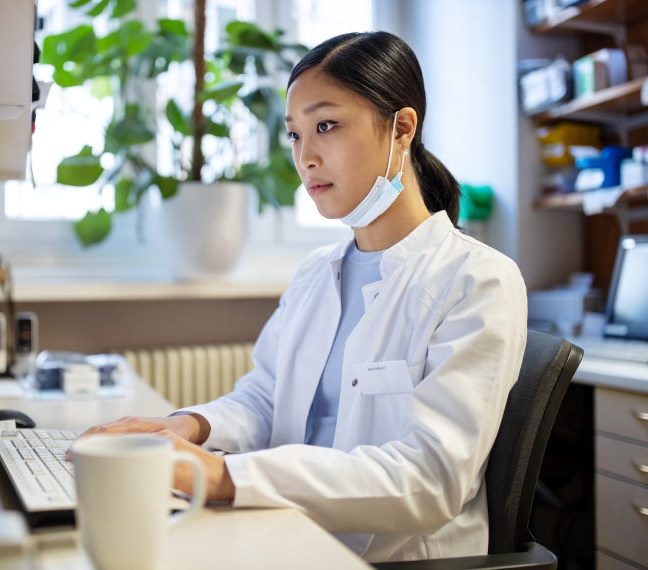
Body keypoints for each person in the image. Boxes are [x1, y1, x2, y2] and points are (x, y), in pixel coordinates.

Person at [70, 31, 528, 562]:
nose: (305, 157)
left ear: (401, 128)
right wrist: (187, 426)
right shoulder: (318, 271)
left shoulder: (478, 280)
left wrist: (221, 474)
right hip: (289, 530)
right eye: (294, 135)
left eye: (326, 126)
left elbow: (429, 479)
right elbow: (264, 396)